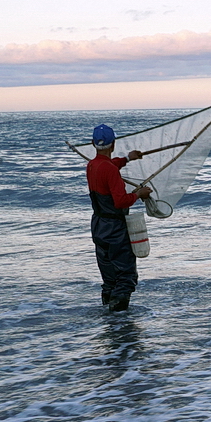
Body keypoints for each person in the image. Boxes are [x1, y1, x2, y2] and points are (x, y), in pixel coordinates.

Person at [87, 124, 149, 312]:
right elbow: (121, 201)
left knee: (109, 276)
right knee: (125, 275)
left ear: (92, 143)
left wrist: (127, 159)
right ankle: (121, 325)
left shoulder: (92, 165)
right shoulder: (110, 170)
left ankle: (109, 323)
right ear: (113, 144)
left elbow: (108, 166)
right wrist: (140, 194)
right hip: (115, 228)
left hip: (98, 225)